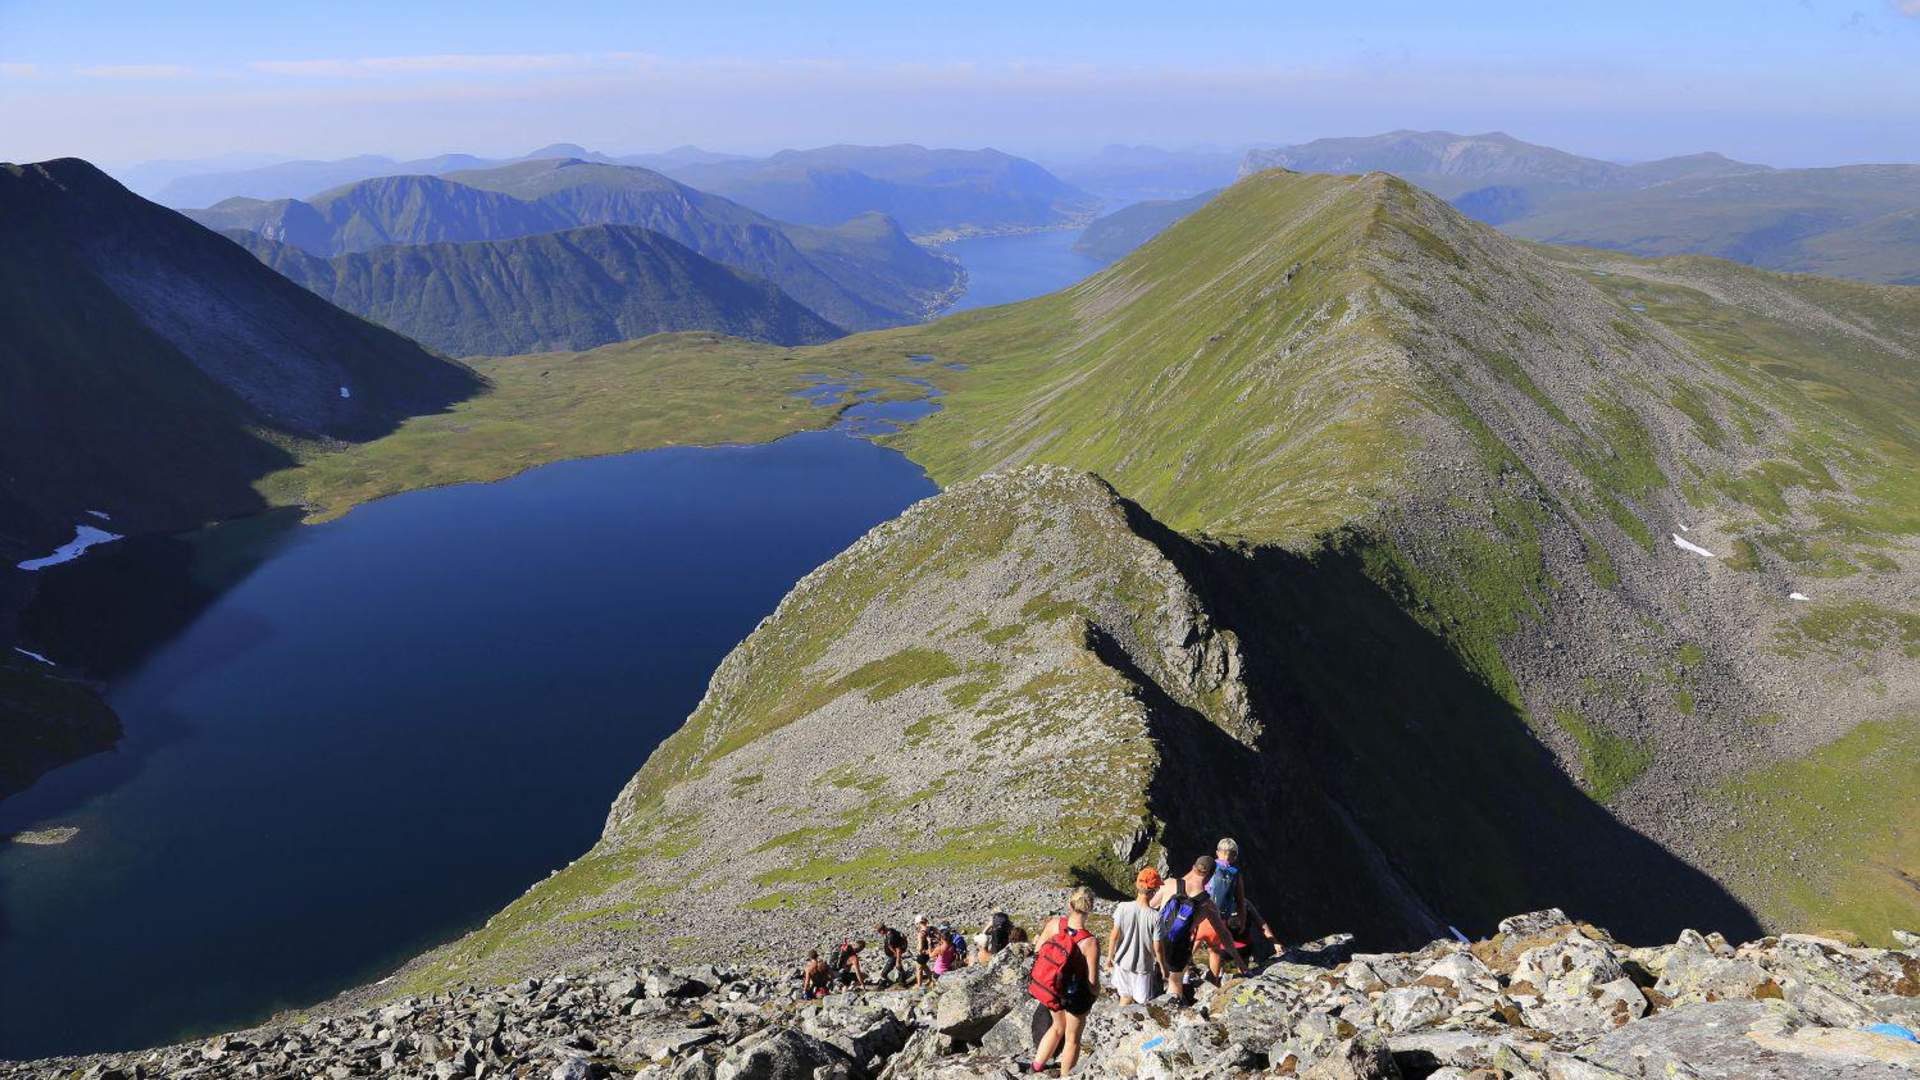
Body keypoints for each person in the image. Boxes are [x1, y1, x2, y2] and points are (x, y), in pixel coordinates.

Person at [1030, 886, 1100, 1076]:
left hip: (1052, 988)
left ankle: (1036, 1067)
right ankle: (1065, 1076)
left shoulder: (1054, 924)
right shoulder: (1089, 942)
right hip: (1075, 996)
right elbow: (1092, 982)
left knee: (1057, 1027)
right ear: (1090, 908)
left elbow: (1037, 951)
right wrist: (1095, 995)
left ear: (1070, 904)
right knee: (1072, 1039)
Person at [1153, 855, 1242, 998]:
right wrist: (1240, 963)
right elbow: (1223, 934)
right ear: (1211, 875)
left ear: (1193, 867)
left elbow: (1150, 907)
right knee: (1175, 984)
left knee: (1151, 978)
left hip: (1156, 939)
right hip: (1178, 946)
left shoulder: (1169, 883)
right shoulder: (1207, 903)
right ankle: (1172, 1009)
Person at [1212, 838, 1283, 965]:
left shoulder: (1211, 873)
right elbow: (1262, 924)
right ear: (1235, 856)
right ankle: (1243, 973)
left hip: (1221, 948)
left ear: (1218, 853)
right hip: (1243, 948)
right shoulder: (1245, 902)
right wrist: (1275, 942)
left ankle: (1214, 979)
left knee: (1214, 951)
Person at [1105, 867, 1169, 1005]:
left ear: (1137, 886)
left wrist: (1109, 957)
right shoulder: (1156, 917)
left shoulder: (1123, 907)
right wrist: (1164, 968)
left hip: (1122, 962)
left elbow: (1114, 935)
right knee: (1142, 1003)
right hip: (1143, 968)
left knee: (1125, 997)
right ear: (1154, 891)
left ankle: (1121, 1022)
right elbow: (1157, 948)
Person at [913, 914, 940, 988]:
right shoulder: (932, 928)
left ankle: (919, 985)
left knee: (919, 968)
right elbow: (939, 936)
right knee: (924, 966)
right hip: (932, 951)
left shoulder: (921, 933)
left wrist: (918, 949)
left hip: (923, 953)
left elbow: (920, 948)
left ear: (918, 923)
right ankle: (931, 979)